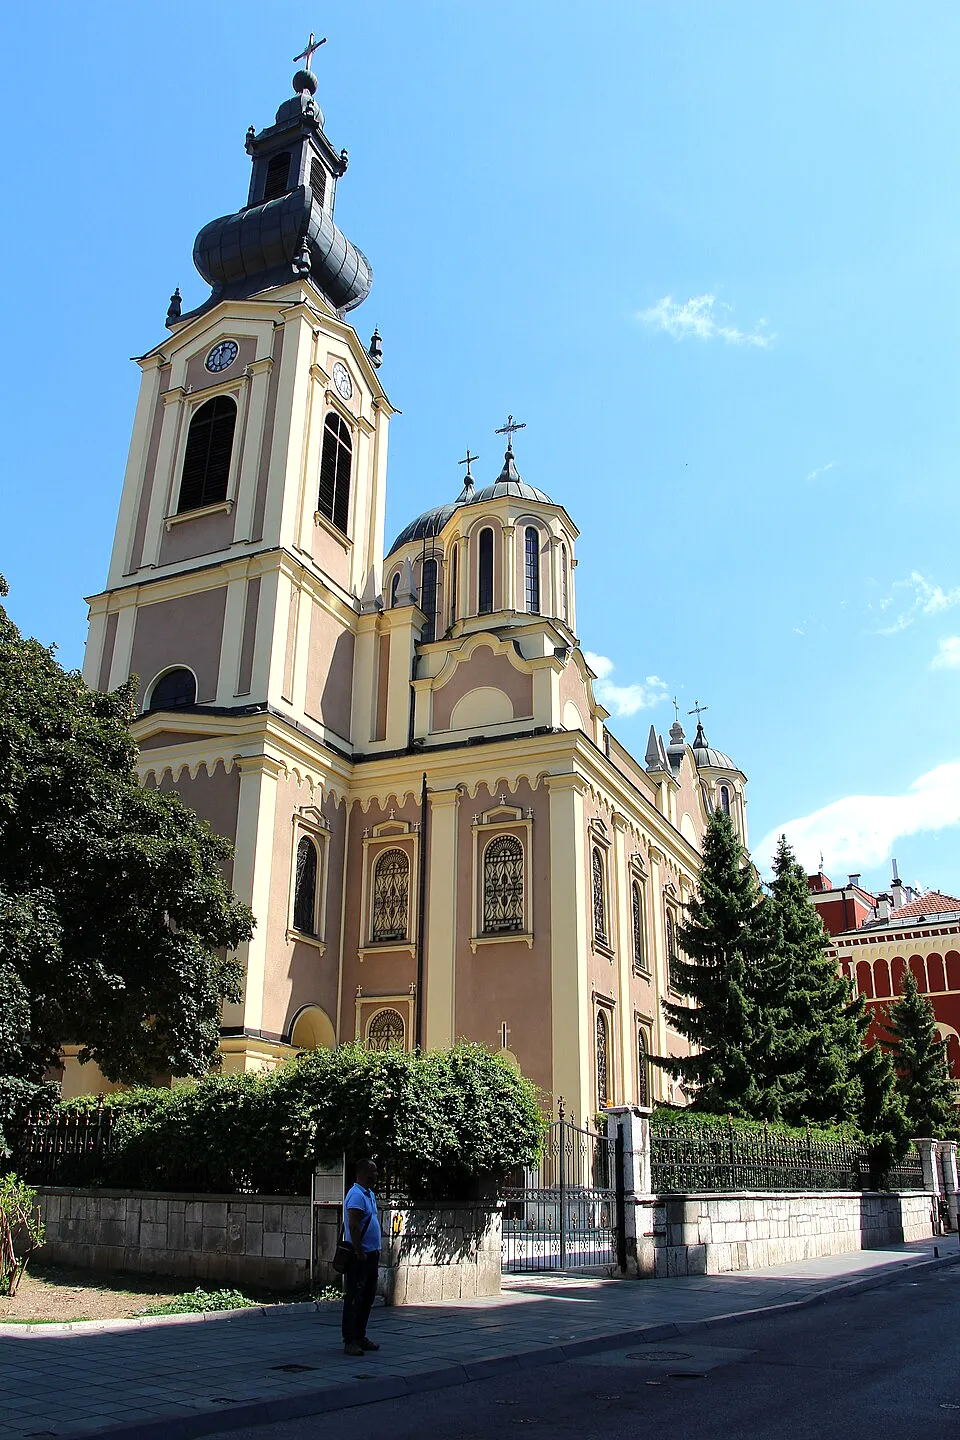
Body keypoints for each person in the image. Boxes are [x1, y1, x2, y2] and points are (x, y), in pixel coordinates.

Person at [341, 1158, 382, 1356]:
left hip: (371, 1254)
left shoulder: (369, 1194)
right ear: (361, 1173)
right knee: (355, 1297)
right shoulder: (356, 1195)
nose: (375, 1175)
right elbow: (354, 1225)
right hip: (360, 1255)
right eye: (371, 1171)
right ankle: (349, 1340)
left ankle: (360, 1336)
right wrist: (358, 1251)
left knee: (367, 1297)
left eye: (376, 1172)